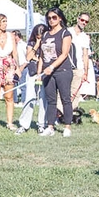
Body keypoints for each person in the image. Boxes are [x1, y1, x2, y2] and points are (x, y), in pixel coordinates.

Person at [37, 8, 75, 137]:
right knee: (50, 100)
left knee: (65, 99)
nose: (51, 20)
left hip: (62, 70)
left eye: (54, 17)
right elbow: (42, 56)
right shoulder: (46, 34)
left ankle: (67, 127)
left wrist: (52, 67)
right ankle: (50, 126)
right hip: (47, 72)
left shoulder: (65, 33)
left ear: (60, 18)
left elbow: (64, 54)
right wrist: (39, 72)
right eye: (49, 18)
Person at [69, 13, 95, 113]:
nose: (84, 22)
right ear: (77, 19)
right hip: (66, 67)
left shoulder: (84, 37)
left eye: (86, 21)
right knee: (63, 92)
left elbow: (85, 55)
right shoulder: (68, 31)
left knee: (75, 92)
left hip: (79, 68)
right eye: (82, 20)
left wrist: (86, 72)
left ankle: (71, 114)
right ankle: (60, 114)